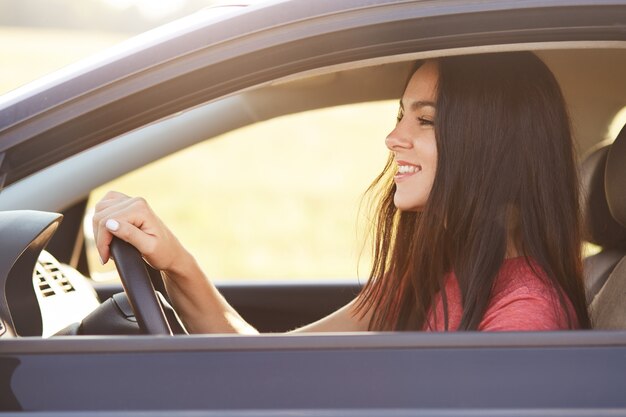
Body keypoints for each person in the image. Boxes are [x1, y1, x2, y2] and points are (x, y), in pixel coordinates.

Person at [93, 52, 591, 333]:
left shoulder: (524, 317)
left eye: (426, 121)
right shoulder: (432, 273)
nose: (394, 138)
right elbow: (270, 360)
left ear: (494, 147)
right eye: (400, 115)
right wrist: (174, 261)